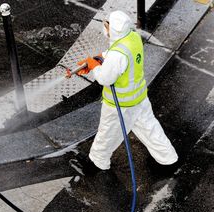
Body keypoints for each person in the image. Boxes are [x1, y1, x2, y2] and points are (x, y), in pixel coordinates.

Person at [76, 10, 178, 172]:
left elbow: (105, 78)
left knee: (107, 133)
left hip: (120, 105)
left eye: (106, 26)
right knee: (150, 128)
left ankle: (96, 162)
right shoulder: (133, 38)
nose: (105, 29)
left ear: (113, 28)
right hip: (139, 98)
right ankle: (168, 159)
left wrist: (95, 66)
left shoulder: (117, 55)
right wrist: (98, 58)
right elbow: (117, 53)